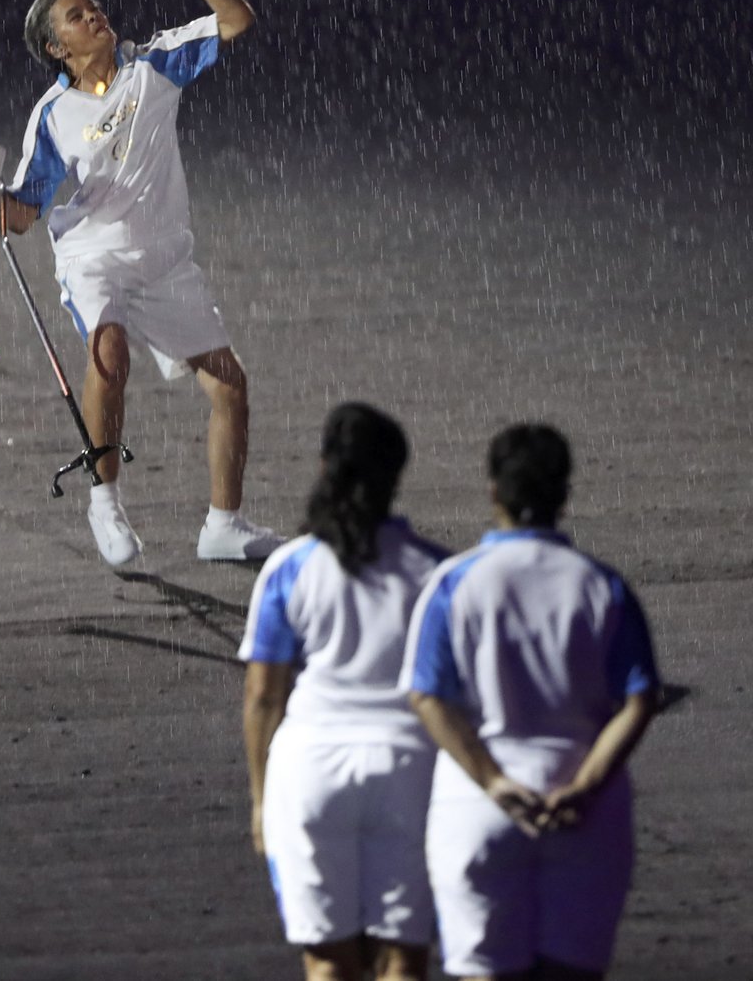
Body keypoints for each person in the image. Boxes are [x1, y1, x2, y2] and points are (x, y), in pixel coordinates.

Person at [0, 0, 283, 567]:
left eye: (94, 7)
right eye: (77, 17)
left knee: (230, 387)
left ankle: (224, 526)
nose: (95, 16)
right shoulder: (51, 118)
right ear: (57, 49)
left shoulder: (153, 63)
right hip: (93, 254)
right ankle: (104, 502)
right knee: (109, 351)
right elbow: (21, 214)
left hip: (163, 260)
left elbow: (237, 19)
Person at [401, 424, 661, 981]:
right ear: (564, 494)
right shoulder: (602, 585)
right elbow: (638, 702)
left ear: (493, 489)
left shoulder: (454, 583)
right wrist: (583, 787)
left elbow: (428, 696)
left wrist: (494, 780)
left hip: (478, 808)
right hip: (587, 814)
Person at [240, 403, 451, 981]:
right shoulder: (437, 571)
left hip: (309, 770)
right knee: (403, 958)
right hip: (412, 770)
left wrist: (261, 802)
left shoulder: (289, 568)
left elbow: (263, 696)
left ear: (325, 466)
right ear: (396, 474)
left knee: (330, 961)